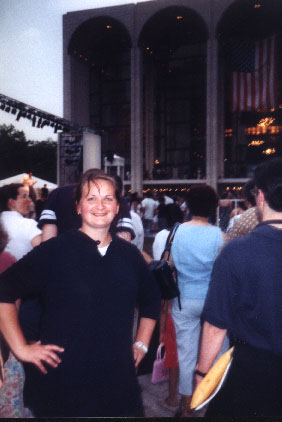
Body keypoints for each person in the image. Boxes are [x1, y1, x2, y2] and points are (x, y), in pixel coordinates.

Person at [0, 170, 160, 417]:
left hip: (118, 383)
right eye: (91, 198)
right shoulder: (54, 251)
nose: (100, 206)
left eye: (108, 199)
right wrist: (21, 348)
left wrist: (141, 342)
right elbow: (5, 291)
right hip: (64, 385)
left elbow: (151, 299)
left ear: (117, 207)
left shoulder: (129, 255)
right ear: (78, 206)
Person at [194, 158, 282, 417]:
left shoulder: (238, 252)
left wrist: (202, 373)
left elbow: (215, 326)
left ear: (261, 197)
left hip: (251, 373)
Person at [171, 185, 229, 417]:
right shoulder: (220, 236)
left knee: (186, 355)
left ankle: (186, 408)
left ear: (188, 206)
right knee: (217, 352)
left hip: (184, 300)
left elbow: (171, 266)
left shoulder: (177, 231)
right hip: (212, 301)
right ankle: (213, 404)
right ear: (213, 207)